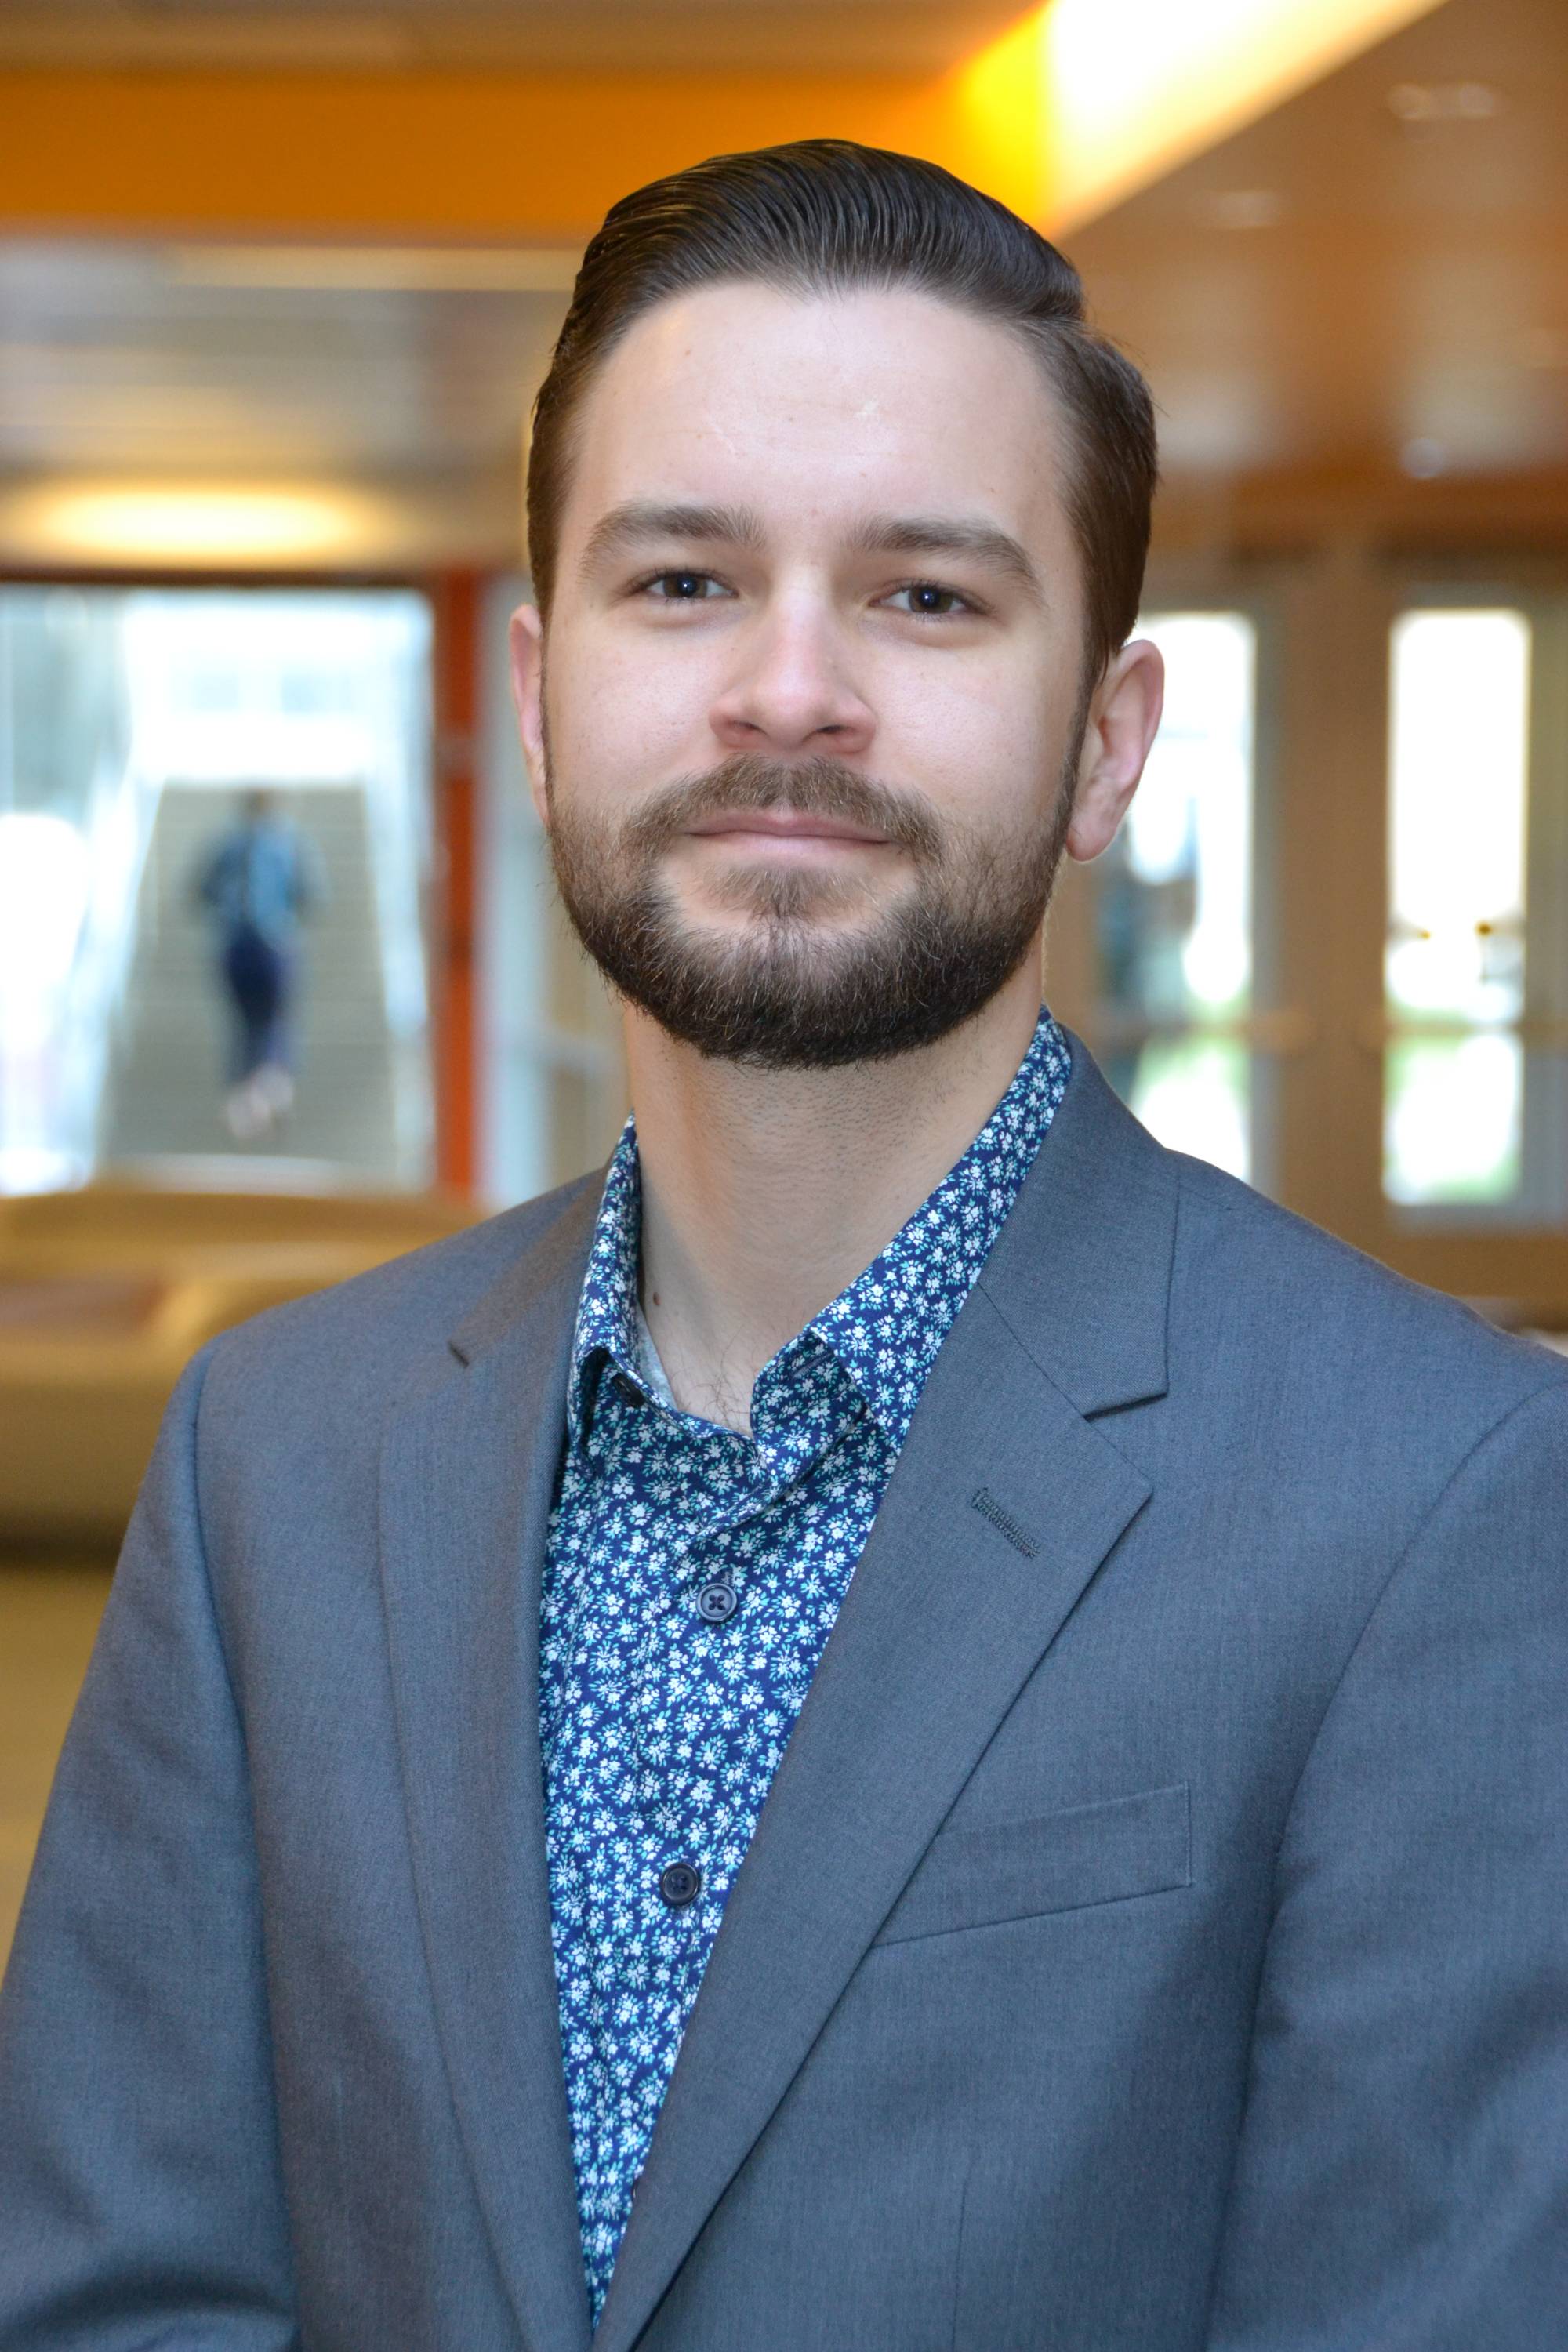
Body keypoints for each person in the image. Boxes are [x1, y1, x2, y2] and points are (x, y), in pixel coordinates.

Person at [2, 141, 1564, 2352]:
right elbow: (115, 2295)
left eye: (926, 596)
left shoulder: (1447, 1497)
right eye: (683, 583)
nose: (790, 693)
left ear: (1106, 743)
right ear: (541, 697)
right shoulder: (277, 1453)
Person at [191, 786, 323, 1140]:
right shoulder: (289, 844)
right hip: (274, 945)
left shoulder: (224, 845)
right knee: (275, 1020)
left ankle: (242, 1104)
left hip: (234, 945)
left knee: (242, 1024)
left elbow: (200, 891)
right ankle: (271, 1088)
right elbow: (311, 894)